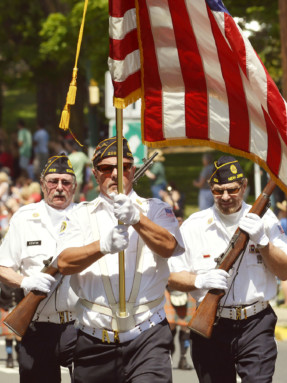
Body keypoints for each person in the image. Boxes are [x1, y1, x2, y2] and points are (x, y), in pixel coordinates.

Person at [56, 136, 184, 383]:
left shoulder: (155, 209)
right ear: (95, 174)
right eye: (107, 168)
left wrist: (137, 218)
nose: (116, 174)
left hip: (147, 335)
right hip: (95, 339)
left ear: (133, 170)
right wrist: (102, 246)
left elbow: (169, 246)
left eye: (124, 167)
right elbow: (64, 262)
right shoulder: (79, 215)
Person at [168, 156, 287, 383]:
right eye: (218, 191)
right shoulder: (194, 225)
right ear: (210, 189)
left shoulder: (266, 220)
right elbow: (171, 276)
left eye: (232, 189)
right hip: (212, 324)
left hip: (255, 321)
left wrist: (263, 242)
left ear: (244, 186)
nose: (225, 197)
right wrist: (200, 281)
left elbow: (285, 271)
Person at [0, 155, 79, 383]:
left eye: (66, 182)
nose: (59, 188)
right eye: (53, 181)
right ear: (42, 184)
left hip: (80, 325)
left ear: (75, 186)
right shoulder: (24, 218)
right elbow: (2, 268)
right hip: (37, 324)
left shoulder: (87, 217)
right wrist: (25, 282)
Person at [0, 276, 24, 368]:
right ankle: (9, 357)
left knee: (19, 336)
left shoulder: (21, 270)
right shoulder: (0, 274)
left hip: (19, 307)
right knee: (9, 335)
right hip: (5, 307)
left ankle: (19, 354)